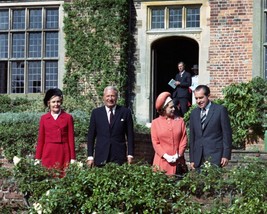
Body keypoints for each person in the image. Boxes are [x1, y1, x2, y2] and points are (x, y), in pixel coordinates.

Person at [87, 86, 134, 167]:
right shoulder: (96, 113)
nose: (110, 98)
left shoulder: (125, 112)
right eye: (108, 96)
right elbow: (91, 136)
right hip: (101, 156)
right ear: (103, 97)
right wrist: (90, 156)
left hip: (119, 156)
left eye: (113, 96)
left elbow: (130, 136)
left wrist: (130, 154)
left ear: (116, 97)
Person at [189, 85, 232, 170]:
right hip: (198, 158)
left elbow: (227, 134)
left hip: (215, 157)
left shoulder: (220, 110)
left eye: (201, 98)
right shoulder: (194, 113)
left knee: (214, 182)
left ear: (208, 95)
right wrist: (192, 159)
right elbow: (192, 137)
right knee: (199, 183)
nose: (198, 101)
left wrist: (225, 155)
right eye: (196, 98)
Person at [35, 88, 76, 174]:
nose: (56, 104)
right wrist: (37, 158)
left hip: (63, 152)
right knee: (48, 177)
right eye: (53, 102)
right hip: (48, 152)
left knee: (62, 177)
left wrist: (73, 158)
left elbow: (71, 139)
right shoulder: (44, 118)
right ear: (48, 103)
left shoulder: (68, 117)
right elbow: (41, 140)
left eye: (58, 102)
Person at [151, 92, 187, 175]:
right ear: (164, 108)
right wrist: (165, 156)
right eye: (171, 107)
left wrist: (178, 154)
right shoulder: (155, 123)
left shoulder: (180, 121)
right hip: (161, 163)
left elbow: (184, 139)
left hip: (178, 163)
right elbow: (155, 142)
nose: (173, 109)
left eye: (173, 107)